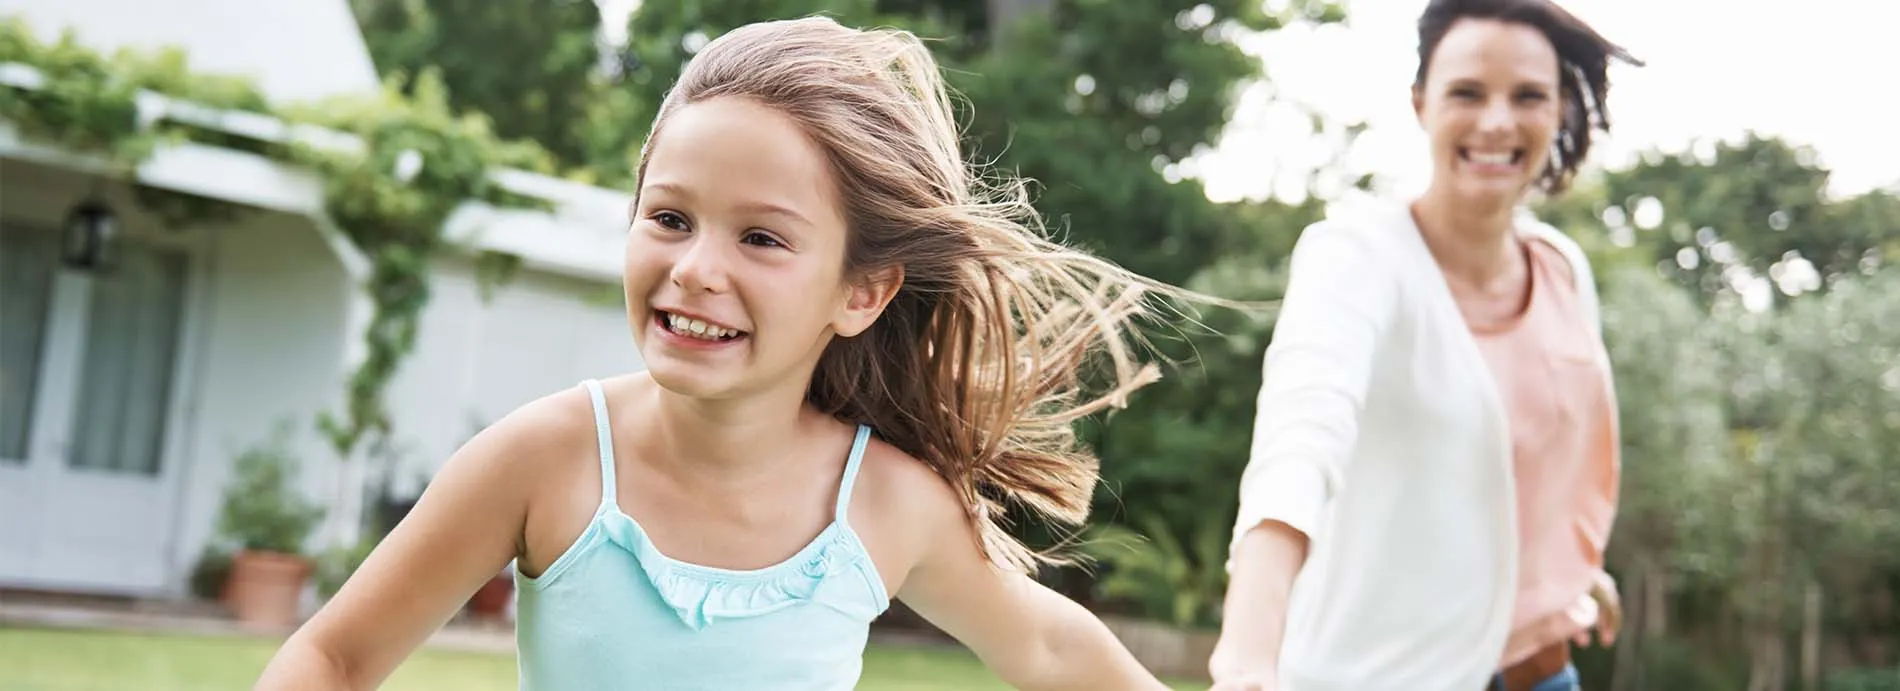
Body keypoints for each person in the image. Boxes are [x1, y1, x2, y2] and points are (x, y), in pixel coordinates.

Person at [255, 16, 1195, 691]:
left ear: (860, 292)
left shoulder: (883, 504)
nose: (696, 269)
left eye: (762, 239)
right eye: (669, 218)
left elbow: (1053, 652)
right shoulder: (548, 460)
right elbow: (333, 658)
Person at [1206, 1, 1642, 690]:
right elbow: (1298, 450)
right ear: (1421, 104)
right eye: (1468, 92)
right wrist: (1248, 655)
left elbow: (1529, 456)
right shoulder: (1357, 254)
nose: (1497, 120)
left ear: (1559, 109)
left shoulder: (1562, 270)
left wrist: (1569, 566)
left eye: (1527, 95)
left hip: (1542, 675)